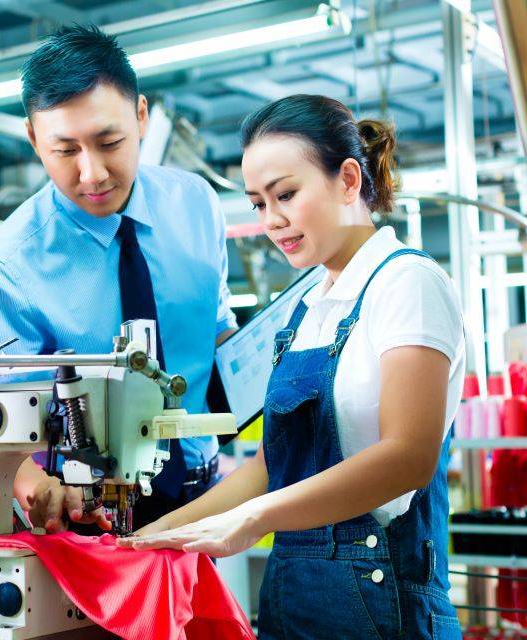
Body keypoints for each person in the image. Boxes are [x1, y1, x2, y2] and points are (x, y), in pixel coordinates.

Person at [117, 94, 466, 640]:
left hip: (384, 605)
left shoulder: (407, 284)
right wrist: (157, 534)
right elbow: (268, 466)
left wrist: (256, 519)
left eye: (286, 194)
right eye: (258, 203)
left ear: (348, 180)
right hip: (293, 605)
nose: (271, 221)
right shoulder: (307, 310)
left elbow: (407, 458)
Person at [0, 25, 237, 534]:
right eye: (65, 151)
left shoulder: (196, 203)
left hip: (205, 497)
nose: (92, 174)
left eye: (109, 142)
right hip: (89, 517)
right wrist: (37, 489)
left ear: (140, 116)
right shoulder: (9, 265)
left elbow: (217, 333)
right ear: (33, 139)